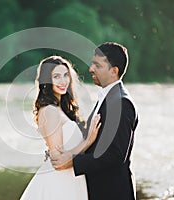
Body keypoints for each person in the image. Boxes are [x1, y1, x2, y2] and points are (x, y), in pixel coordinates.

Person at [51, 42, 139, 200]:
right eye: (92, 64)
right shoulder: (107, 98)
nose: (91, 68)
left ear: (114, 71)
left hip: (112, 193)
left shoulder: (121, 103)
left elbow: (115, 155)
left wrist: (72, 162)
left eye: (97, 65)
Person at [20, 55, 101, 200]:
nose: (63, 81)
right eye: (56, 76)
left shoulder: (60, 109)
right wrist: (87, 141)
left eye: (65, 75)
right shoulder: (49, 111)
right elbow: (58, 161)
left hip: (71, 179)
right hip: (58, 182)